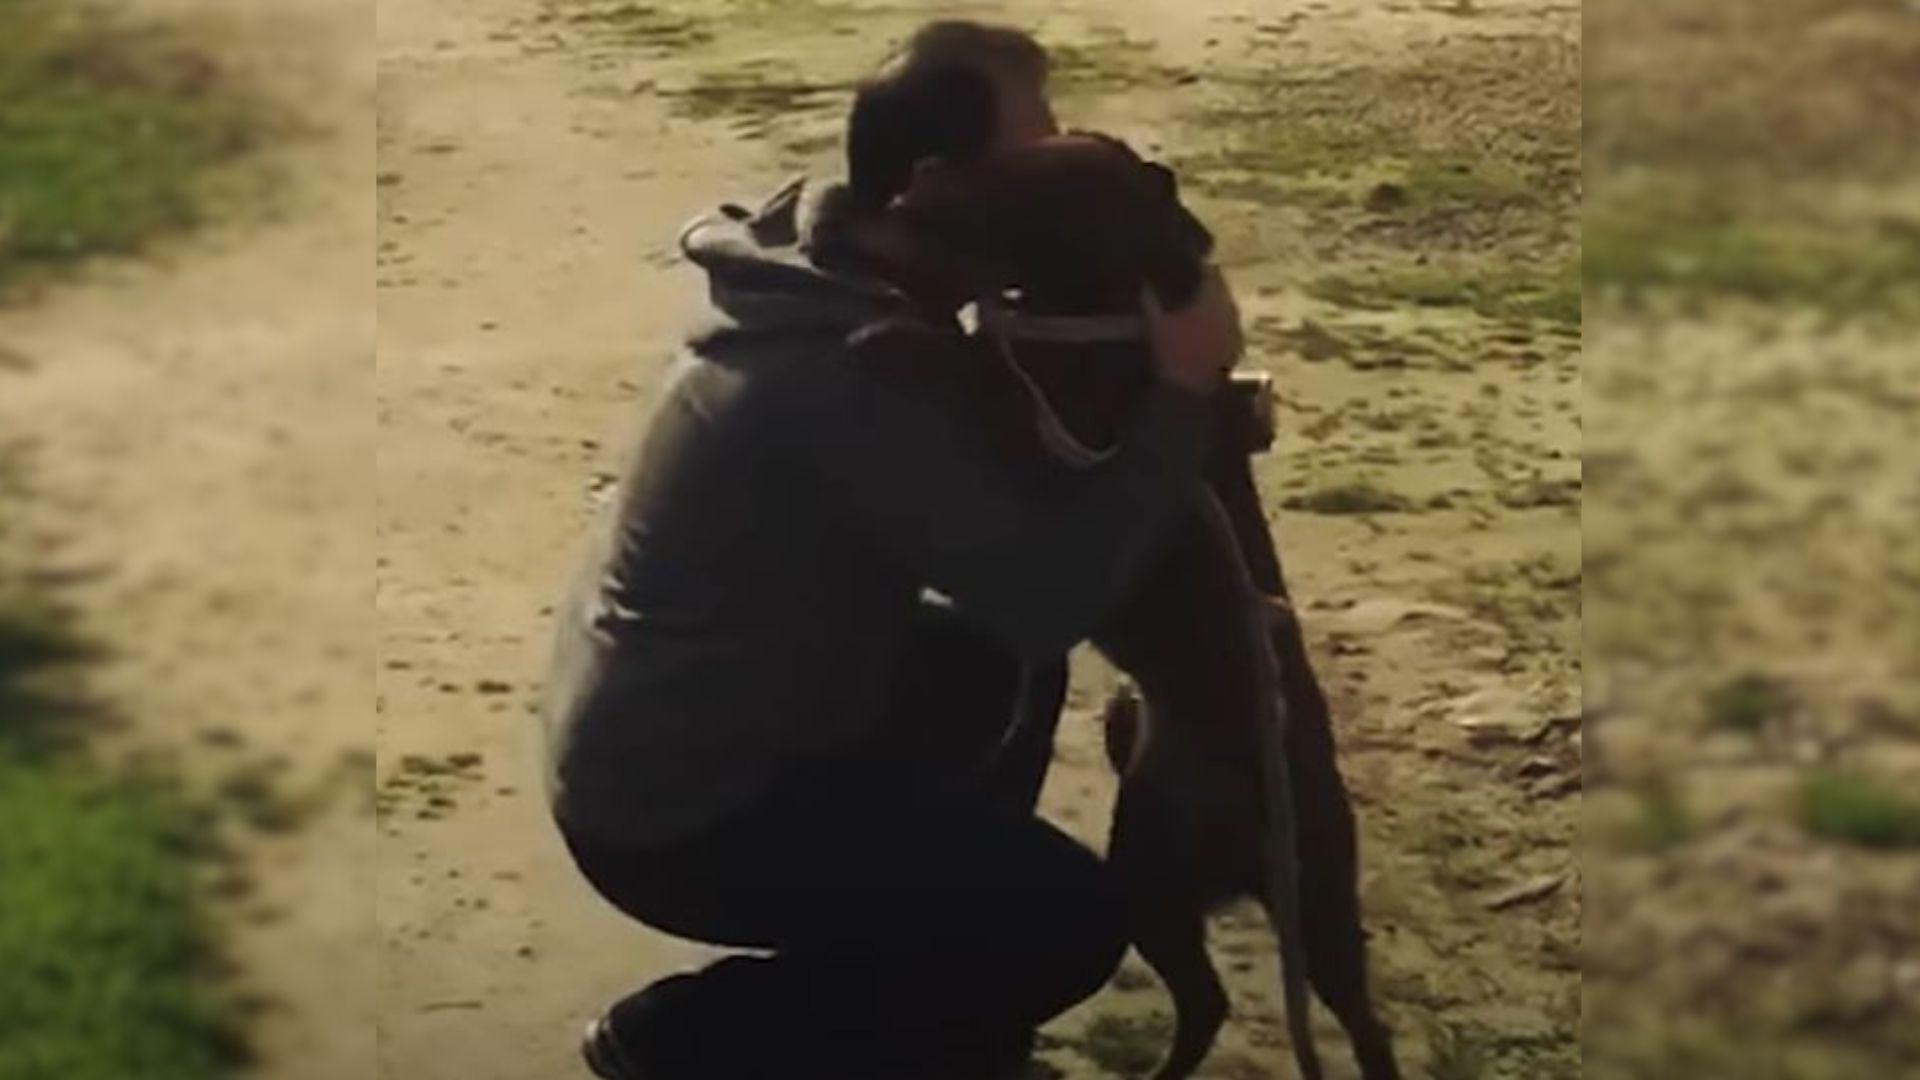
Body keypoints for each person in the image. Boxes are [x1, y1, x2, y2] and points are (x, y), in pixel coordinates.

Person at [540, 22, 1245, 1080]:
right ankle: (691, 1035)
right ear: (939, 183)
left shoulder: (821, 275)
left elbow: (1013, 535)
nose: (1070, 167)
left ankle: (942, 998)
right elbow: (1052, 595)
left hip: (676, 723)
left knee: (990, 670)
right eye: (1044, 148)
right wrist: (1183, 401)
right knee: (1070, 924)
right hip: (677, 809)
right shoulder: (852, 367)